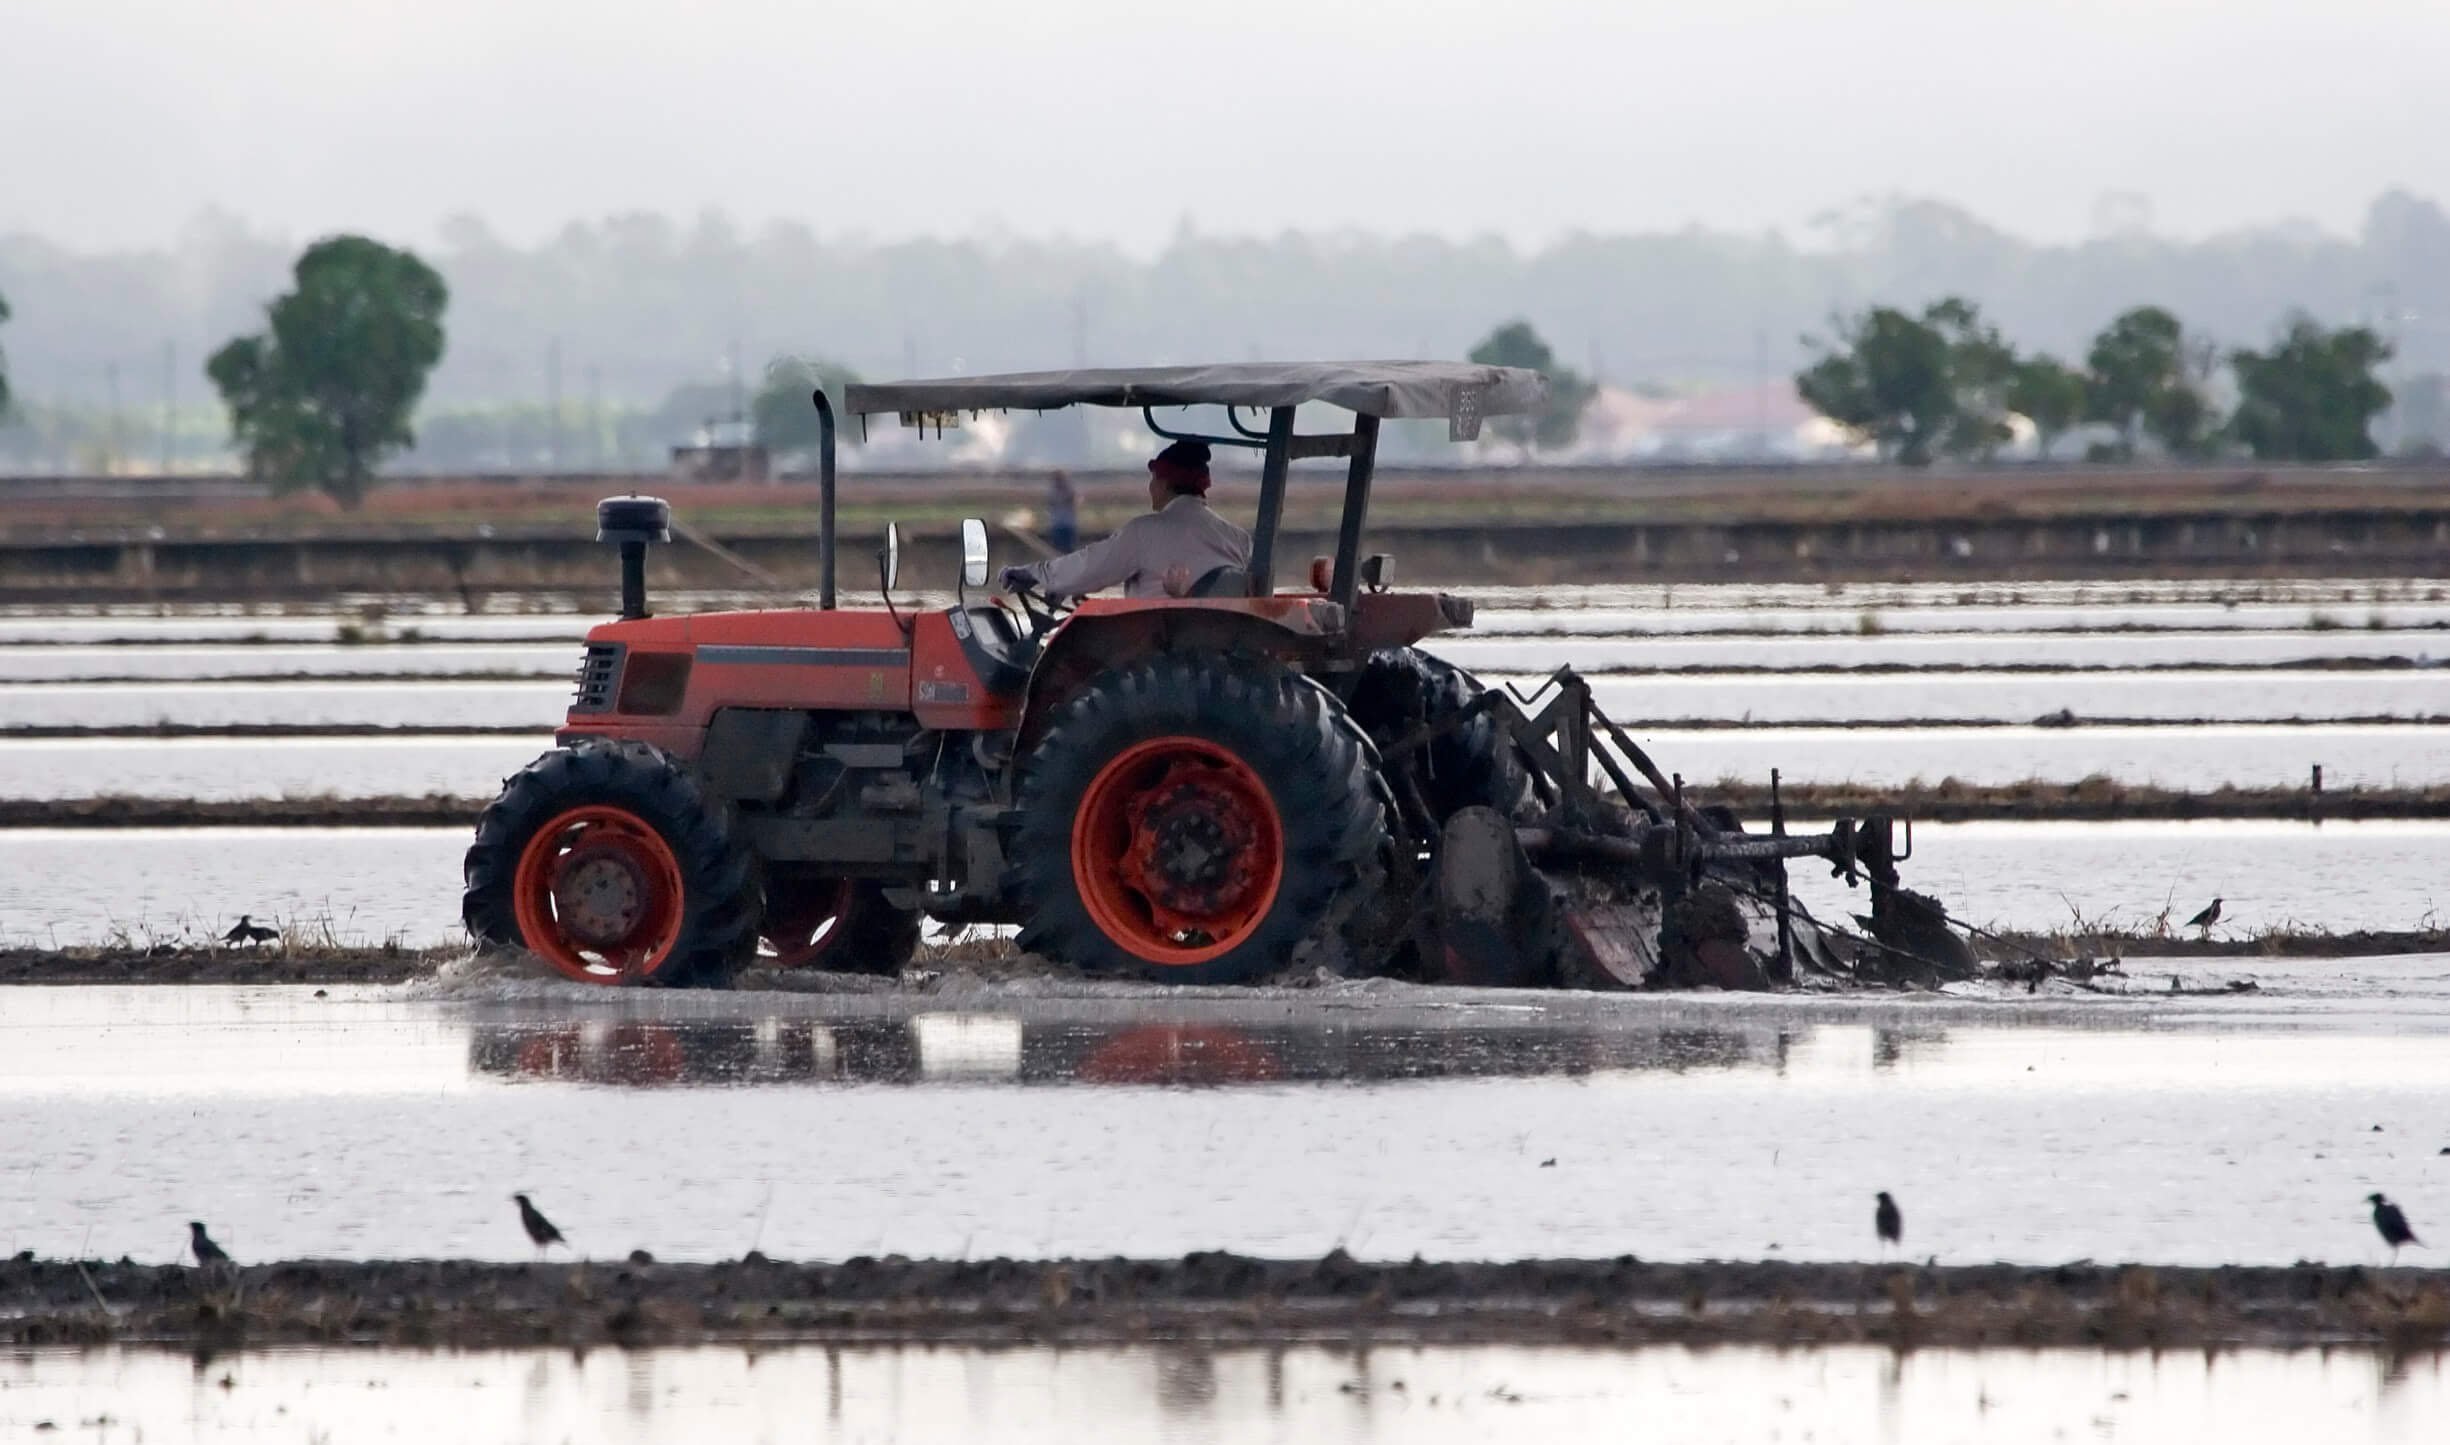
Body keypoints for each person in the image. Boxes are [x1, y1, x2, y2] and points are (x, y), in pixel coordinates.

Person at [1001, 440, 1250, 599]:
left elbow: (1090, 567)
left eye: (1153, 480)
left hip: (1158, 649)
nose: (1150, 487)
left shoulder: (1144, 532)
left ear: (1163, 484)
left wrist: (1035, 574)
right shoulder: (1238, 539)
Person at [1044, 469, 1079, 553]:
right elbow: (1051, 502)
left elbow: (1074, 500)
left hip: (1067, 523)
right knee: (1058, 547)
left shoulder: (1069, 489)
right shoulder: (1052, 490)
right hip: (1057, 523)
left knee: (1068, 547)